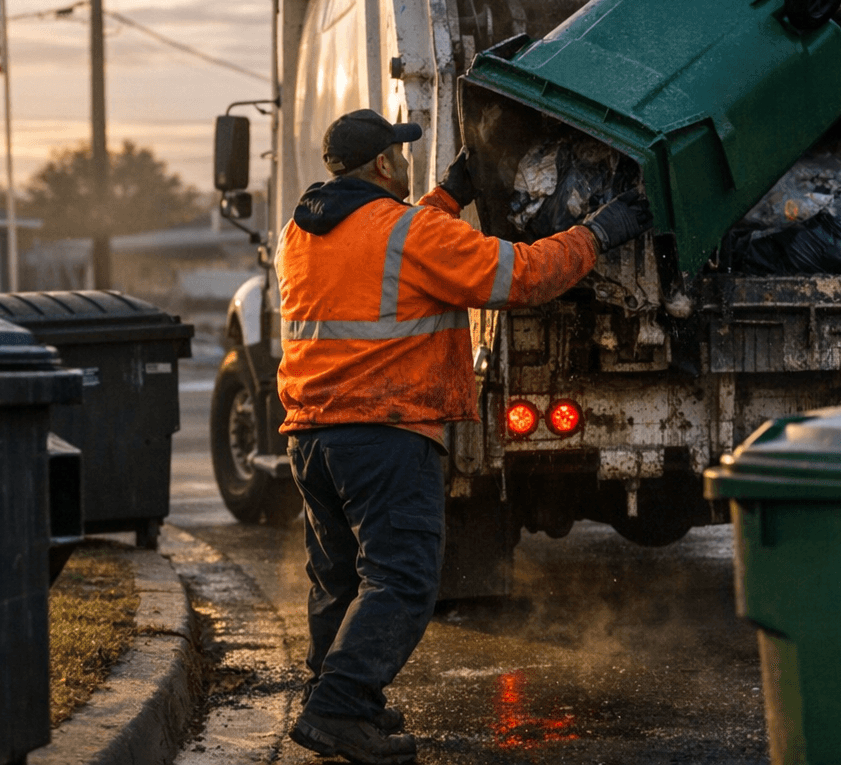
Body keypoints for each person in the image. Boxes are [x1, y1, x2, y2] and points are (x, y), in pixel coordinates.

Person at [277, 108, 652, 764]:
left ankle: (335, 696)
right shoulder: (408, 231)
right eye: (398, 153)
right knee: (402, 579)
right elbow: (523, 276)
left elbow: (391, 248)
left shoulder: (302, 232)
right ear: (384, 166)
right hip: (385, 433)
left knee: (338, 577)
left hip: (312, 436)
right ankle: (338, 709)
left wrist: (451, 195)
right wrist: (599, 231)